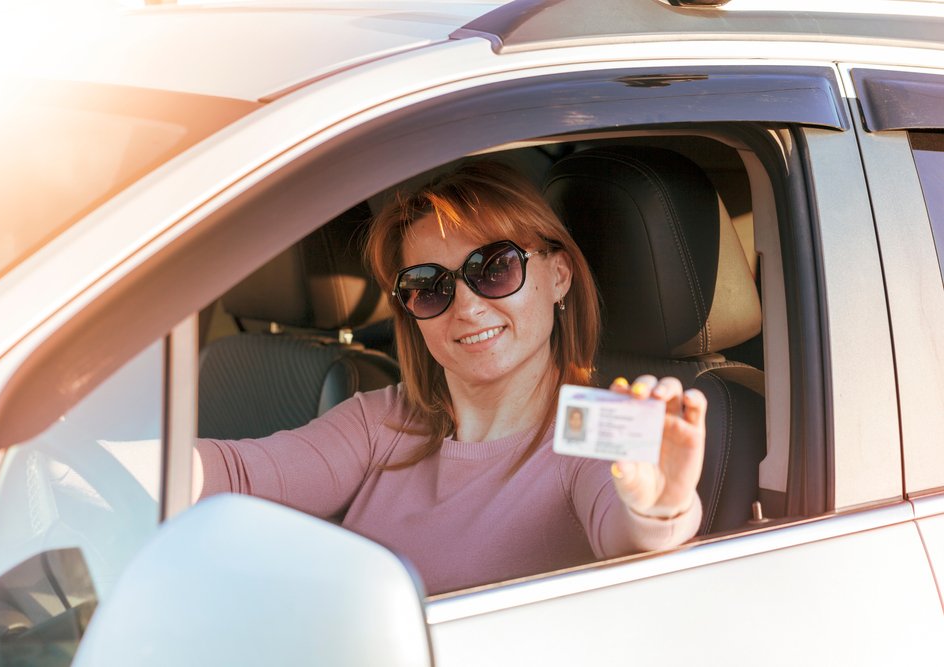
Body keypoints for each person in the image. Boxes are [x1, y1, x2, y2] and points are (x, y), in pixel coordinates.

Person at [194, 161, 707, 595]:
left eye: (495, 267)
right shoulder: (384, 420)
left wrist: (657, 510)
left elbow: (631, 534)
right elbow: (233, 473)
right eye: (429, 286)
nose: (466, 305)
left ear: (559, 275)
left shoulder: (600, 428)